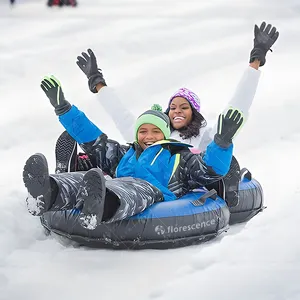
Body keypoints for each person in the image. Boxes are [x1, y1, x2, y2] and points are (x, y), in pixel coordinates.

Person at [72, 21, 279, 206]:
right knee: (113, 155)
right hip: (144, 186)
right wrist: (97, 82)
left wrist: (255, 62)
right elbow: (120, 114)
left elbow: (238, 106)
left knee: (224, 161)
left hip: (195, 180)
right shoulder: (154, 134)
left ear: (194, 113)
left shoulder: (206, 134)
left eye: (184, 107)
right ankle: (78, 168)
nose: (177, 111)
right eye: (172, 107)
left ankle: (228, 185)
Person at [23, 76, 244, 230]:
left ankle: (99, 207)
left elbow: (210, 171)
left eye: (156, 131)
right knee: (86, 179)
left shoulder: (180, 157)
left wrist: (222, 143)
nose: (148, 136)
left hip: (153, 192)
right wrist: (63, 108)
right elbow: (94, 140)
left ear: (166, 134)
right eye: (143, 131)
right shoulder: (125, 153)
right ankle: (48, 192)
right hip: (112, 184)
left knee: (129, 189)